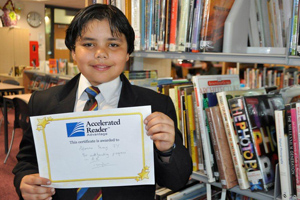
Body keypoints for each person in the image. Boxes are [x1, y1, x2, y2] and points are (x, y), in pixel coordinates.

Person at [13, 4, 192, 200]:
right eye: (89, 44)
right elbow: (28, 160)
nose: (101, 53)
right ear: (73, 51)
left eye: (113, 44)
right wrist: (23, 181)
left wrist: (168, 150)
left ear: (127, 54)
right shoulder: (44, 102)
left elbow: (176, 180)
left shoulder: (155, 105)